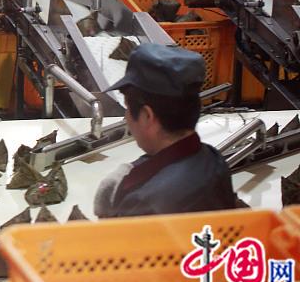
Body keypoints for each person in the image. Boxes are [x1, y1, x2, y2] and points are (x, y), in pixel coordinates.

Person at [94, 43, 237, 217]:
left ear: (147, 116)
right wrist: (134, 169)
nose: (126, 118)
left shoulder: (141, 205)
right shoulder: (214, 160)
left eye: (127, 108)